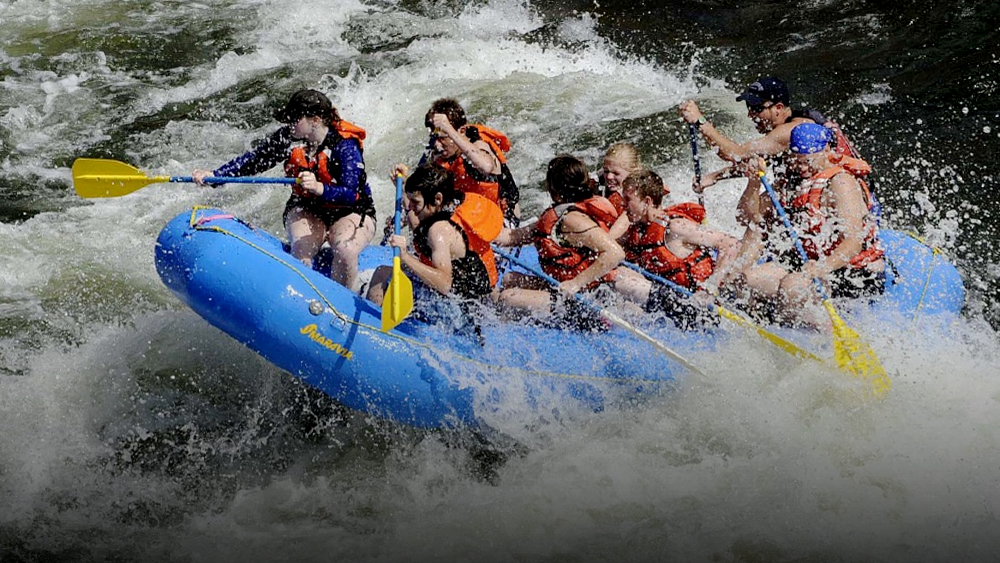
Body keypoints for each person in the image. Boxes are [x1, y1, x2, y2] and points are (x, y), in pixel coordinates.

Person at [193, 89, 375, 290]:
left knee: (345, 250)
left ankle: (343, 305)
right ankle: (301, 298)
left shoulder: (345, 146)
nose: (289, 124)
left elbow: (351, 194)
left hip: (349, 211)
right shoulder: (288, 139)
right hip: (308, 208)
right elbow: (254, 161)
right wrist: (215, 175)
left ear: (315, 120)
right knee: (302, 249)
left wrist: (319, 187)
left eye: (295, 119)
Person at [720, 122, 885, 330]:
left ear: (825, 150)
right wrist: (754, 183)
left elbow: (854, 242)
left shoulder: (841, 182)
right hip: (806, 264)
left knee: (792, 287)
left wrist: (821, 268)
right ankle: (762, 327)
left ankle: (815, 336)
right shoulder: (793, 180)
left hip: (848, 272)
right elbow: (747, 217)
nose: (802, 169)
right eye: (797, 162)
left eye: (807, 162)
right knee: (748, 280)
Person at [679, 77, 870, 224]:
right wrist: (713, 178)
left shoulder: (789, 131)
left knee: (754, 219)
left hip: (841, 197)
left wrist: (699, 121)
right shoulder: (788, 129)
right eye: (749, 108)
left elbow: (734, 153)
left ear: (778, 108)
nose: (750, 114)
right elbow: (753, 161)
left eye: (756, 108)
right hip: (807, 186)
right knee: (745, 216)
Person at [494, 154, 650, 330]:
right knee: (509, 278)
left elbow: (615, 253)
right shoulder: (556, 215)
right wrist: (471, 231)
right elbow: (513, 237)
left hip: (586, 296)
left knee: (508, 298)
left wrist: (576, 284)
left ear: (553, 188)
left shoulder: (571, 220)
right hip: (565, 287)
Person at [366, 165, 503, 335]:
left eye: (416, 203)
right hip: (469, 305)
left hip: (456, 311)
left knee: (382, 274)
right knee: (392, 271)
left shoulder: (439, 231)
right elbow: (417, 217)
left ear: (437, 199)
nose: (412, 208)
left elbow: (445, 284)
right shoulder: (444, 209)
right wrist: (402, 187)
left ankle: (370, 332)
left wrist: (405, 256)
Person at [616, 169, 739, 328]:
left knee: (623, 282)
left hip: (698, 308)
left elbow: (730, 244)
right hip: (670, 303)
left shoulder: (675, 227)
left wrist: (711, 289)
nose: (622, 204)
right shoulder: (638, 229)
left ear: (647, 202)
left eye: (628, 199)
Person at [392, 98, 520, 225]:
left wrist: (449, 129)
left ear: (461, 131)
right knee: (414, 218)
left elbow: (486, 166)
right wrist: (404, 185)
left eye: (443, 137)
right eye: (434, 138)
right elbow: (422, 202)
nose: (437, 144)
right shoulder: (438, 156)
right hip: (466, 218)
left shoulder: (479, 146)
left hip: (499, 222)